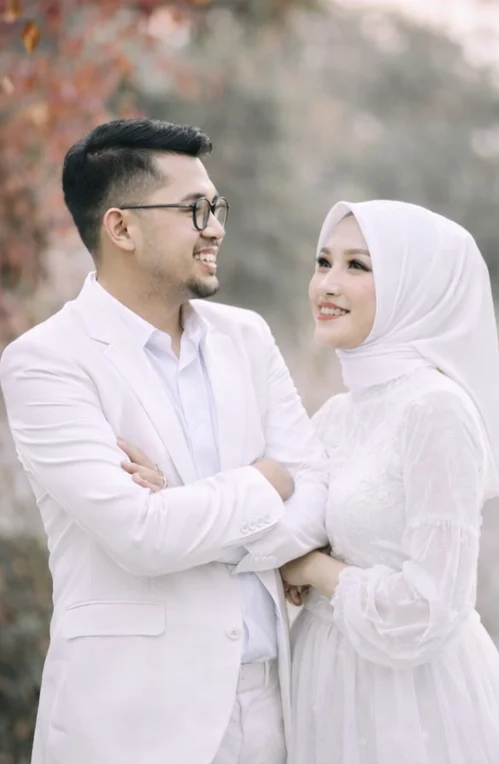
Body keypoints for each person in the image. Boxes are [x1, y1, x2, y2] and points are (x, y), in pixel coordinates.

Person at [0, 117, 329, 764]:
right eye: (194, 210)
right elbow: (142, 537)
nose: (216, 228)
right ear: (121, 228)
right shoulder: (45, 362)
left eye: (217, 208)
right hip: (132, 725)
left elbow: (314, 491)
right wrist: (264, 481)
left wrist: (183, 504)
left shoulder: (247, 336)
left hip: (270, 710)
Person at [277, 200, 499, 763]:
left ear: (413, 287)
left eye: (357, 265)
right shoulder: (337, 414)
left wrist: (313, 570)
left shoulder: (435, 410)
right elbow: (274, 512)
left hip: (409, 706)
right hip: (325, 685)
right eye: (324, 261)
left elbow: (431, 607)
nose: (326, 284)